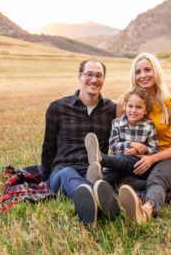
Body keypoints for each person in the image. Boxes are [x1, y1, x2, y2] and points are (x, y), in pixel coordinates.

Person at [40, 59, 118, 226]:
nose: (94, 79)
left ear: (104, 79)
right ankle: (92, 195)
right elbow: (48, 146)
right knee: (68, 173)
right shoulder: (58, 108)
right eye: (89, 74)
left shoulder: (112, 109)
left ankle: (94, 192)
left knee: (106, 175)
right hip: (63, 169)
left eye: (99, 75)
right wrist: (45, 179)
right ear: (80, 77)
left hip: (97, 169)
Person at [116, 52, 171, 224]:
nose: (143, 75)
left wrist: (152, 158)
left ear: (156, 71)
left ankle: (146, 211)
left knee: (157, 179)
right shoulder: (124, 103)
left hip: (168, 159)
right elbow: (117, 138)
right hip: (136, 160)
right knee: (119, 178)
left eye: (147, 70)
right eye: (138, 72)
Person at [85, 88, 158, 179]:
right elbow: (112, 146)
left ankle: (100, 158)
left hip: (137, 165)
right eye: (130, 106)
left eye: (138, 107)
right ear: (125, 107)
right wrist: (131, 144)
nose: (133, 110)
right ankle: (95, 183)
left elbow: (154, 148)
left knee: (125, 159)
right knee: (110, 175)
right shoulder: (117, 123)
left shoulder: (149, 126)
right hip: (117, 164)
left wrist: (140, 150)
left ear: (146, 110)